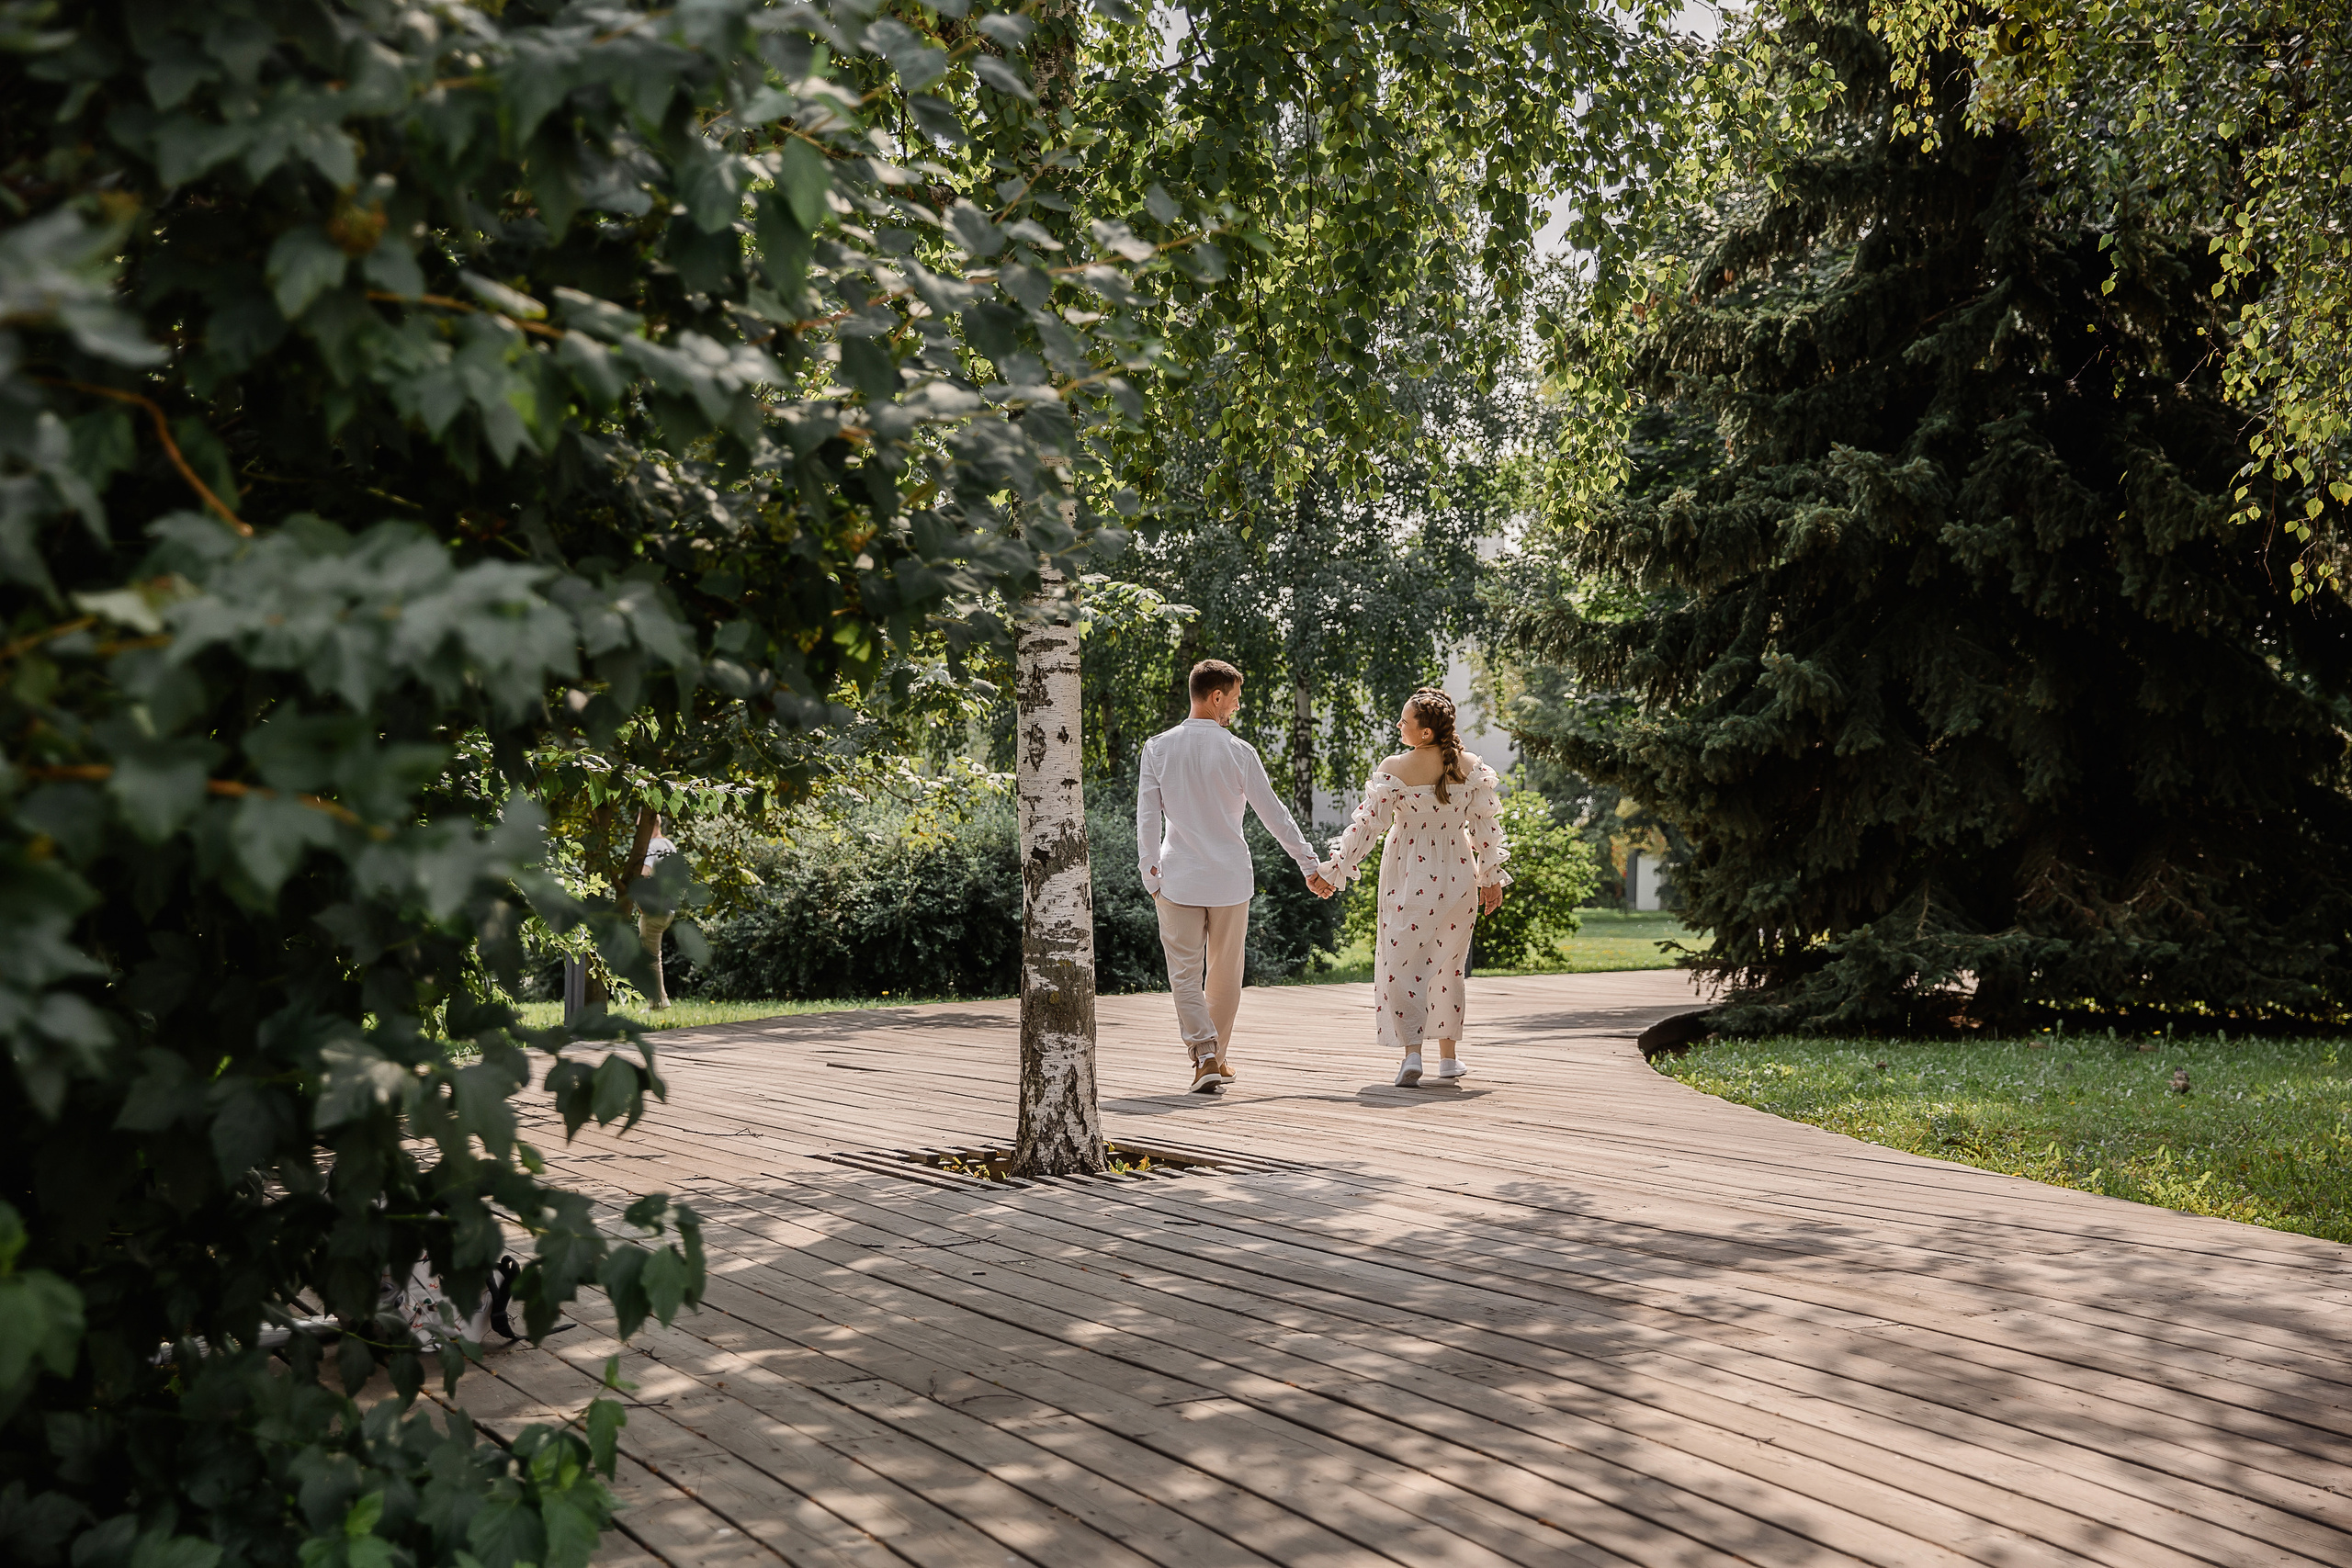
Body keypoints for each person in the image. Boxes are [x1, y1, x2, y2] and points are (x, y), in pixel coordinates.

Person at [1137, 659, 1334, 1093]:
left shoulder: (1157, 748)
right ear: (1216, 697)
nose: (1236, 710)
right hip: (1228, 880)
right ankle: (1214, 1057)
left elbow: (1147, 820)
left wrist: (1150, 875)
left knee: (1185, 976)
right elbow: (1275, 816)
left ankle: (1207, 1056)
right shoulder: (1238, 752)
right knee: (1225, 974)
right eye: (1235, 700)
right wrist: (1309, 865)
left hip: (1177, 880)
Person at [1318, 688, 1510, 1086]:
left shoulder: (1396, 767)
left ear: (1425, 732)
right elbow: (1486, 830)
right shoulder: (1472, 767)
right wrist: (1491, 881)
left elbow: (1366, 827)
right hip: (1459, 875)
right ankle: (1448, 1058)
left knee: (1403, 962)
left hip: (1409, 876)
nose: (1399, 726)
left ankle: (1411, 1055)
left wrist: (1336, 870)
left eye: (1406, 721)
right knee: (1448, 965)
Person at [638, 820, 679, 1010]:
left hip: (654, 909)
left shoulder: (652, 846)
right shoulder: (669, 845)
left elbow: (643, 876)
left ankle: (658, 1003)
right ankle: (661, 1000)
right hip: (669, 907)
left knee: (649, 958)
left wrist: (640, 904)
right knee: (654, 956)